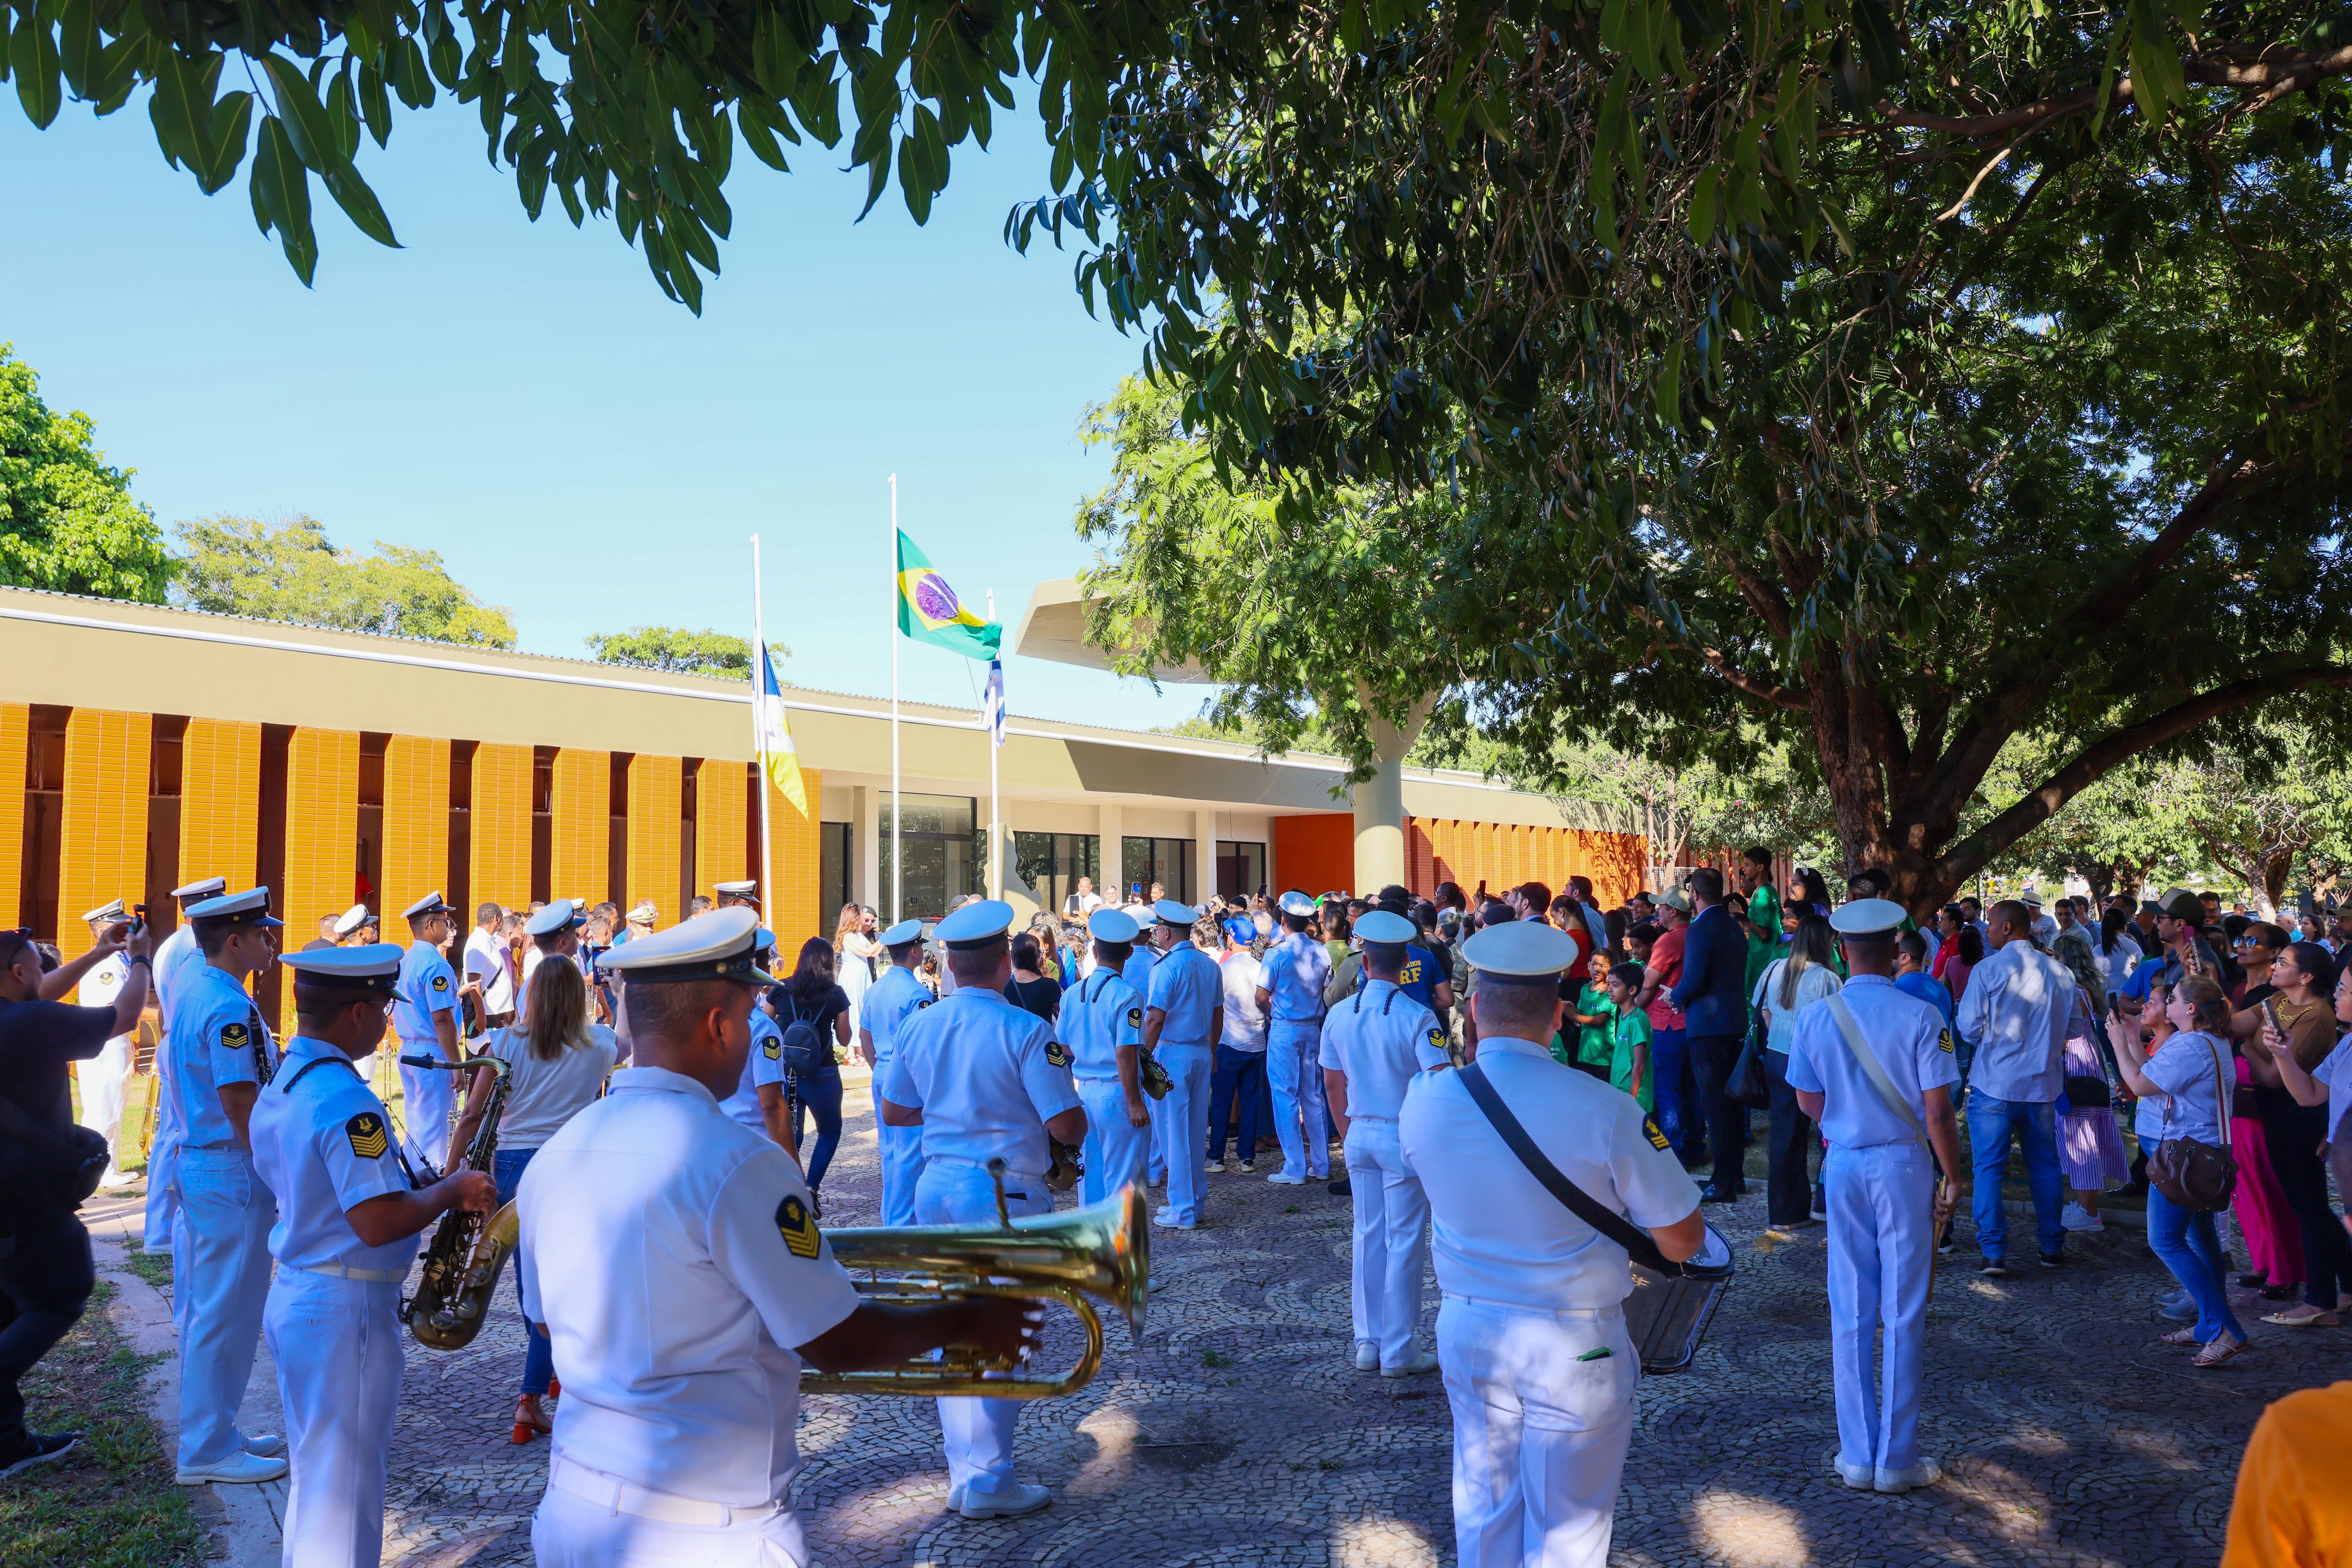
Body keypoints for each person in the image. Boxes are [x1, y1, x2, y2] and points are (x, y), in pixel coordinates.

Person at [521, 907, 1037, 1561]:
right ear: (716, 1025)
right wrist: (963, 1321)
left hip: (571, 1513)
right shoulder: (739, 1162)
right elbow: (838, 1341)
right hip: (702, 1528)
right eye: (743, 1018)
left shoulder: (557, 1155)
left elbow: (543, 1324)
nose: (749, 1035)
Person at [1400, 918, 1706, 1567]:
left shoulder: (1425, 1101)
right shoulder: (1607, 1109)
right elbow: (1683, 1243)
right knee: (1568, 1536)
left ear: (1476, 1009)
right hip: (1575, 1342)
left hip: (1470, 1327)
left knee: (1483, 1513)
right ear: (1560, 1015)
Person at [251, 945, 496, 1564]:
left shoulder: (288, 1077)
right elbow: (379, 1221)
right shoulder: (345, 1100)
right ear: (357, 1013)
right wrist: (453, 1190)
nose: (389, 1021)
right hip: (344, 1306)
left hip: (307, 1289)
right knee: (345, 1490)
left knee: (322, 1480)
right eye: (385, 1009)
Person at [876, 899, 1088, 1519]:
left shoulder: (923, 1023)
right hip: (999, 1191)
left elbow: (894, 1111)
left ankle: (967, 1471)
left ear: (948, 964)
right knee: (1002, 1329)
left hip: (936, 1183)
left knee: (954, 1329)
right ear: (1002, 963)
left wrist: (952, 1113)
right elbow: (1068, 1129)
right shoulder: (1026, 1031)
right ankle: (991, 1479)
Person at [1784, 898, 1965, 1492]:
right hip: (1904, 1164)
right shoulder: (1920, 1016)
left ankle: (1857, 1452)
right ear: (1895, 951)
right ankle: (1896, 1457)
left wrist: (1843, 1117)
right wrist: (1953, 1174)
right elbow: (1937, 1110)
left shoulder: (1815, 1016)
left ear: (1841, 951)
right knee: (1905, 1306)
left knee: (1850, 1305)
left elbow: (1807, 1103)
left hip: (1842, 1161)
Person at [0, 917, 152, 1476]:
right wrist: (138, 959)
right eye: (37, 963)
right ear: (17, 972)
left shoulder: (20, 1013)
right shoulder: (29, 1023)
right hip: (27, 1194)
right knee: (58, 1297)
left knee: (7, 1307)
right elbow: (126, 1018)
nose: (43, 970)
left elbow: (39, 994)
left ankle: (7, 1444)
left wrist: (94, 954)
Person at [446, 955, 618, 1444]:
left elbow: (472, 1116)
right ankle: (539, 1390)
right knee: (564, 1284)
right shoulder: (599, 1044)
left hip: (513, 1168)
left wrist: (450, 1174)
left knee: (534, 1289)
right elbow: (629, 1039)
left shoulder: (503, 1043)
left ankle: (535, 1393)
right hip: (573, 1165)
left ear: (531, 994)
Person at [159, 885, 290, 1485]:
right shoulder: (227, 1005)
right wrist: (279, 1172)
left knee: (214, 1309)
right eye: (263, 933)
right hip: (228, 1166)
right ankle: (206, 1448)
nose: (271, 941)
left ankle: (215, 1430)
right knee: (226, 1314)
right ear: (235, 941)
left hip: (206, 1162)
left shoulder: (200, 986)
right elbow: (240, 1101)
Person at [1319, 910, 1446, 1377]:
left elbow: (1333, 1086)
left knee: (1367, 1237)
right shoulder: (1418, 1016)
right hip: (1402, 1133)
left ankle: (1367, 1343)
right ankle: (1398, 1349)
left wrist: (1349, 1135)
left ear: (1365, 962)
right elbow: (1440, 1083)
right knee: (1405, 1241)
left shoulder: (1337, 1014)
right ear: (1407, 963)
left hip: (1357, 1133)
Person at [2111, 976, 2250, 1366]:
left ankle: (2227, 1329)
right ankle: (2210, 1324)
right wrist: (2131, 1042)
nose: (2164, 1003)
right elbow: (2155, 1077)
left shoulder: (2191, 1045)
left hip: (2185, 1157)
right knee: (2202, 1238)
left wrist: (2120, 1043)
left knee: (2165, 1240)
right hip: (2198, 1152)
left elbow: (2138, 1084)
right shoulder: (2209, 1041)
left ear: (2190, 1009)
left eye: (2171, 999)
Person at [1955, 899, 2087, 1275]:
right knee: (2045, 1167)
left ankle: (1994, 1251)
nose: (1987, 931)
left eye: (1992, 925)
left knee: (1989, 1170)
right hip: (2043, 1085)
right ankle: (2051, 1246)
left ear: (2008, 928)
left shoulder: (1988, 970)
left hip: (1995, 1084)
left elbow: (1967, 1028)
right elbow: (2075, 1030)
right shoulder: (2061, 973)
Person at [2232, 940, 2352, 1327]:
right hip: (2312, 1128)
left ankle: (2321, 1300)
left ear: (2306, 976)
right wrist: (2279, 1053)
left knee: (2311, 1209)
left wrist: (2252, 1048)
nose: (2339, 995)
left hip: (2302, 1126)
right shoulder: (2341, 1038)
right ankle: (2338, 1290)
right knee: (2313, 1207)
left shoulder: (2317, 1017)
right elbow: (2310, 1091)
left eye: (2346, 990)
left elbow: (2276, 1081)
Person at [145, 873, 229, 1254]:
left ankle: (161, 1227)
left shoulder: (175, 942)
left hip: (176, 1042)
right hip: (185, 1045)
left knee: (174, 1136)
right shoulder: (188, 946)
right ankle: (161, 1229)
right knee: (177, 1138)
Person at [1755, 916, 1843, 1230]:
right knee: (1824, 1133)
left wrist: (1779, 1034)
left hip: (1777, 1056)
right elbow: (1836, 1025)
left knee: (1784, 1135)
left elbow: (1763, 1010)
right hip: (1811, 1061)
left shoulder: (1775, 968)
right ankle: (1816, 1206)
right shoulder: (1826, 978)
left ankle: (1784, 1211)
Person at [1670, 867, 1752, 1203]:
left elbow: (1694, 978)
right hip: (1732, 1021)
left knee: (1715, 1105)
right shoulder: (1733, 924)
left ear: (1696, 895)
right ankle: (1734, 1175)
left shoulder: (1701, 928)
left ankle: (1722, 1181)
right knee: (1730, 1103)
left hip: (1707, 1025)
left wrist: (1673, 997)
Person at [1063, 908, 1153, 1206]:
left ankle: (1093, 1244)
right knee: (1123, 1176)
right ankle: (1119, 1247)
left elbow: (1064, 1047)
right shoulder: (1129, 996)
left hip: (1084, 1090)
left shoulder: (1072, 993)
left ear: (1094, 949)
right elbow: (1126, 1051)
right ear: (1129, 952)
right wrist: (1135, 1101)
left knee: (1089, 1174)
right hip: (1116, 1091)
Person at [1144, 899, 1222, 1229]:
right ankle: (1191, 1202)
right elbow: (1218, 1012)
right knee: (1192, 1131)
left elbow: (1155, 1020)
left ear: (1164, 932)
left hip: (1173, 1052)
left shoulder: (1166, 967)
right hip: (1200, 1050)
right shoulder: (1209, 964)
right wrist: (1213, 1050)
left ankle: (1183, 1207)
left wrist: (1141, 1058)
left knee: (1173, 1133)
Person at [763, 938, 854, 1205]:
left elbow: (763, 1023)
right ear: (829, 963)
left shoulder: (781, 990)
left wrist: (784, 1022)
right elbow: (846, 1039)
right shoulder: (836, 994)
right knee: (829, 1131)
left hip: (787, 1073)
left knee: (792, 1135)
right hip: (823, 1071)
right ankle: (812, 1187)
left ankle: (789, 1186)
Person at [1257, 891, 1335, 1186]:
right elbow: (1327, 991)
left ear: (1283, 919)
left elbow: (1261, 997)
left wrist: (1272, 1014)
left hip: (1286, 1027)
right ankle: (1322, 1163)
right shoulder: (1321, 951)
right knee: (1313, 1096)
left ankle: (1295, 1166)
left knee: (1285, 1096)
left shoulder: (1276, 953)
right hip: (1313, 1027)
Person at [858, 918, 931, 1227]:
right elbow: (923, 1045)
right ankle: (901, 1224)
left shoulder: (876, 989)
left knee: (889, 1149)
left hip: (882, 1070)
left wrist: (880, 1068)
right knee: (911, 1152)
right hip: (908, 1075)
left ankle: (891, 1218)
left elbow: (864, 1036)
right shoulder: (917, 993)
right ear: (915, 951)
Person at [392, 892, 465, 1173]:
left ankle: (414, 1182)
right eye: (446, 921)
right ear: (432, 925)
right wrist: (456, 1063)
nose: (449, 927)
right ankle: (431, 1188)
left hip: (411, 1048)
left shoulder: (407, 959)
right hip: (432, 1052)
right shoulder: (435, 963)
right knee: (434, 1130)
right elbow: (443, 1020)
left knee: (417, 1124)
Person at [71, 898, 138, 1186]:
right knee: (103, 1106)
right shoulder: (105, 964)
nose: (127, 931)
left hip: (115, 1041)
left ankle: (109, 1167)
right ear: (101, 930)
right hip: (104, 1043)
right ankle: (96, 1170)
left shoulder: (118, 958)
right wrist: (159, 1014)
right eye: (119, 926)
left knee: (115, 1104)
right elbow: (114, 1005)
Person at [1208, 916, 1268, 1173]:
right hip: (1257, 1043)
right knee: (1250, 1100)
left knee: (1222, 1102)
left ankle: (1217, 1157)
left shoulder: (1226, 969)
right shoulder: (1261, 967)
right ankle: (1247, 1157)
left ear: (1231, 938)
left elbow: (1214, 1007)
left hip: (1229, 1044)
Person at [1637, 891, 1694, 1160]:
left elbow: (1649, 984)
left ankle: (1673, 1154)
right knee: (1689, 1089)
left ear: (1673, 911)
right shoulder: (1696, 934)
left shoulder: (1669, 940)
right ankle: (1693, 1147)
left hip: (1666, 1023)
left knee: (1667, 1091)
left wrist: (1631, 1007)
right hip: (1690, 1022)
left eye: (1660, 906)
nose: (1657, 910)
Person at [1603, 962, 1652, 1111]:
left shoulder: (1636, 1020)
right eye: (1609, 984)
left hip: (1635, 1099)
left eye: (1616, 985)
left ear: (1632, 990)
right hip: (1622, 1093)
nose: (1610, 990)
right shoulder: (1624, 1017)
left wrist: (1632, 1099)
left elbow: (1640, 1064)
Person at [464, 901, 519, 1030]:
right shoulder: (479, 941)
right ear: (497, 919)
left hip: (495, 1011)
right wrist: (481, 1014)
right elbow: (473, 979)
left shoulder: (488, 940)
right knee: (484, 1050)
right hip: (488, 1013)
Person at [1738, 848, 1784, 993]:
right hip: (1769, 956)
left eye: (1747, 865)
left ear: (1760, 867)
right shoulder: (1770, 890)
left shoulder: (1761, 894)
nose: (1743, 869)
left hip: (1763, 958)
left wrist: (1741, 915)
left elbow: (1764, 934)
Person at [1566, 950, 1615, 1080]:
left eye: (1602, 966)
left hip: (1603, 1057)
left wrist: (1574, 1016)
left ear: (1610, 968)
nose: (1597, 969)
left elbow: (1600, 1020)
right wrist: (1571, 1009)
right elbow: (1582, 1015)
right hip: (1585, 1054)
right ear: (1588, 965)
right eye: (1594, 965)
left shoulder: (1609, 992)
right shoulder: (1585, 989)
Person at [1003, 933, 1063, 1026]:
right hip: (1042, 1038)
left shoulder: (1004, 985)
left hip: (1014, 1039)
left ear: (1012, 958)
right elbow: (1063, 1010)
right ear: (1038, 957)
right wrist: (1048, 974)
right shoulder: (1050, 986)